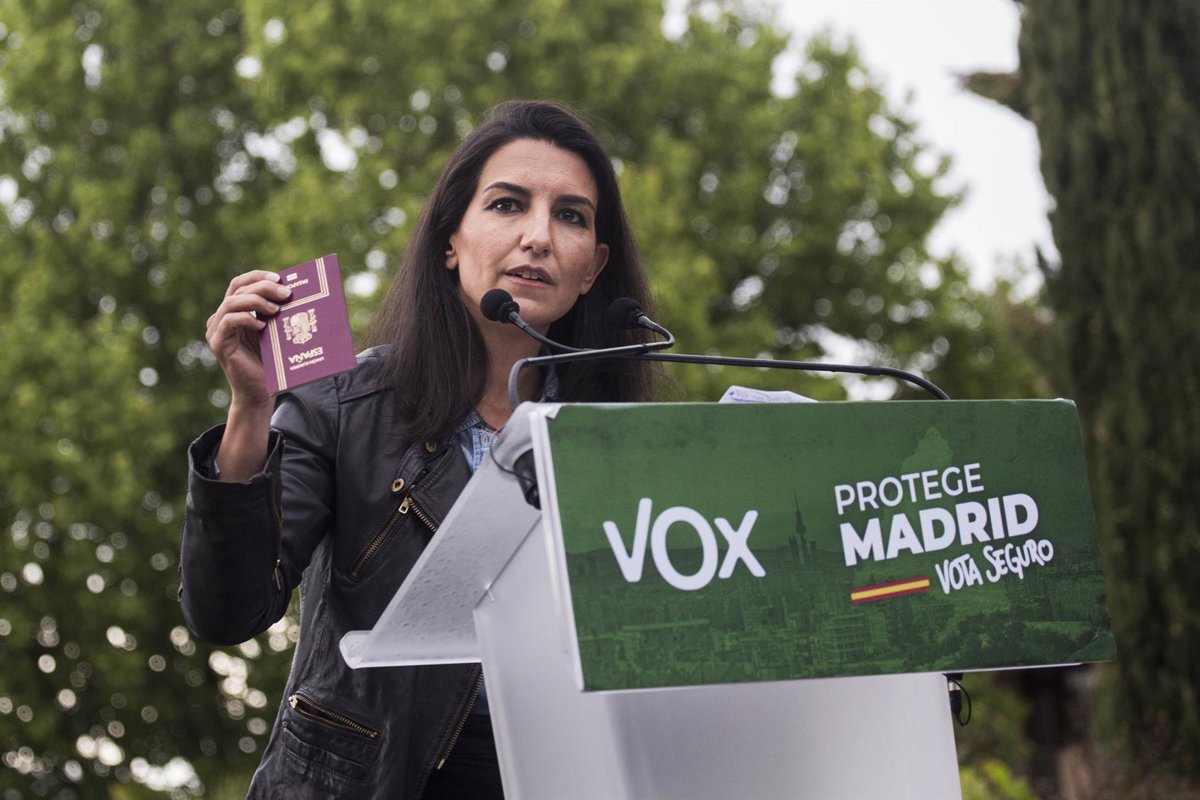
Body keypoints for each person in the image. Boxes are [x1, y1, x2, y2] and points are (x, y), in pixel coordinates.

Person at [180, 99, 657, 799]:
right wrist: (251, 408)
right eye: (507, 205)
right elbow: (227, 611)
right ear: (449, 242)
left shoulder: (624, 443)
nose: (538, 237)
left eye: (571, 216)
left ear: (593, 267)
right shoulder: (341, 404)